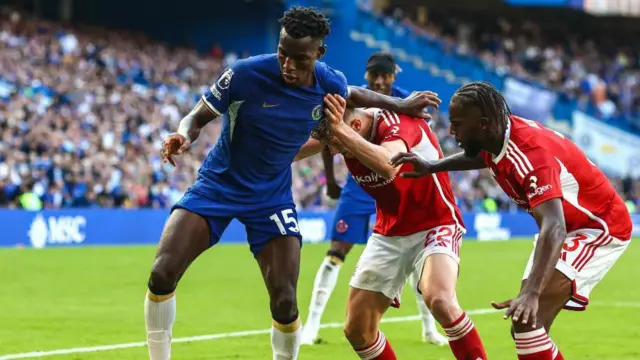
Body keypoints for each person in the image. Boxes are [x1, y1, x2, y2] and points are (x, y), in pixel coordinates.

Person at [145, 6, 440, 360]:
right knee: (162, 273)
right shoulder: (244, 74)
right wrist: (182, 135)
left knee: (285, 300)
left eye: (300, 59)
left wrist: (401, 104)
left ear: (319, 54)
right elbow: (197, 116)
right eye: (283, 54)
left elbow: (356, 94)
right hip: (217, 186)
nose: (288, 66)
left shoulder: (328, 83)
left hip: (271, 198)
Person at [391, 81, 633, 360]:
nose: (451, 131)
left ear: (483, 124)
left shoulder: (530, 155)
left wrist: (532, 292)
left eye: (457, 124)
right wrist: (434, 166)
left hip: (596, 228)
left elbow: (555, 226)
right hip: (564, 226)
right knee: (528, 325)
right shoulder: (498, 135)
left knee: (526, 320)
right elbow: (484, 157)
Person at [296, 94, 488, 360]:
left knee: (440, 299)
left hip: (436, 222)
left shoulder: (398, 122)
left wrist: (338, 130)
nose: (335, 152)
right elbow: (292, 150)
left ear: (354, 127)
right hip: (390, 231)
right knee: (357, 329)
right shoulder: (341, 130)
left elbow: (388, 165)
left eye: (336, 143)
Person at [301, 51, 446, 346]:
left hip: (399, 180)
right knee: (337, 249)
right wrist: (330, 180)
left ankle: (429, 328)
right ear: (366, 75)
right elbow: (328, 138)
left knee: (418, 252)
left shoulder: (410, 102)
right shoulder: (355, 99)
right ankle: (311, 327)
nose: (379, 81)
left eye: (385, 75)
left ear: (395, 75)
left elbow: (422, 145)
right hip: (360, 182)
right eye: (374, 75)